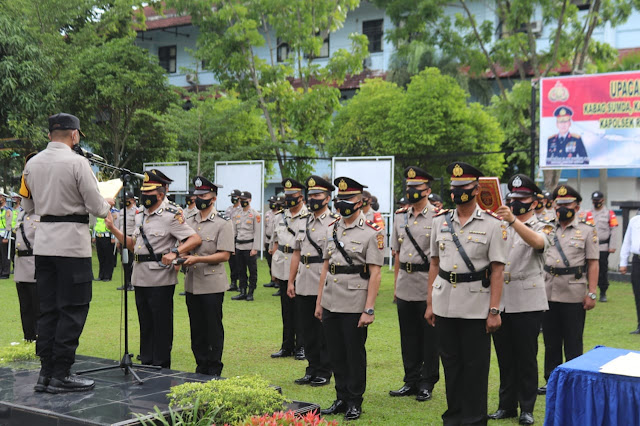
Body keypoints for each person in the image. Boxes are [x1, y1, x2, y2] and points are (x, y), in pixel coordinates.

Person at [20, 113, 114, 393]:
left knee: (48, 309)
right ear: (75, 135)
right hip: (72, 245)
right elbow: (97, 207)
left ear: (50, 134)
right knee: (72, 308)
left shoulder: (31, 164)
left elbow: (26, 207)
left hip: (44, 244)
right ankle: (61, 373)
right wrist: (106, 202)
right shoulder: (78, 162)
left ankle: (45, 373)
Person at [425, 161, 508, 426]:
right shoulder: (440, 221)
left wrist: (494, 311)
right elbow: (435, 264)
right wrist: (430, 303)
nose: (458, 192)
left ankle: (474, 419)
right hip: (445, 303)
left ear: (476, 190)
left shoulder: (493, 224)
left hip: (476, 305)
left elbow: (497, 270)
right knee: (451, 365)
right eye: (454, 188)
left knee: (475, 367)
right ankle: (454, 417)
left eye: (464, 187)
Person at [106, 169, 201, 369]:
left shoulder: (171, 215)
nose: (144, 196)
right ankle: (147, 361)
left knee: (161, 324)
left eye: (149, 193)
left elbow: (194, 238)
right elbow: (132, 245)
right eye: (143, 192)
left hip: (160, 278)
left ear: (160, 194)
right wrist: (114, 229)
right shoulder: (141, 215)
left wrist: (175, 252)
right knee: (145, 322)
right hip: (139, 276)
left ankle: (161, 364)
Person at [317, 176, 385, 421]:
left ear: (360, 202)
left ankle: (355, 400)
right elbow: (326, 267)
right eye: (341, 199)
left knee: (353, 353)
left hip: (355, 302)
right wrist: (319, 302)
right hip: (331, 300)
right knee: (335, 353)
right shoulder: (332, 228)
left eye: (349, 199)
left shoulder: (372, 233)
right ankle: (341, 397)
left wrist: (369, 308)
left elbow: (375, 273)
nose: (343, 203)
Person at [489, 174, 553, 426]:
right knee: (505, 356)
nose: (516, 202)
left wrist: (514, 221)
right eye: (512, 198)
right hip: (502, 299)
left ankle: (527, 407)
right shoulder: (501, 225)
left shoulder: (543, 224)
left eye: (522, 199)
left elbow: (538, 243)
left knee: (526, 356)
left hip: (527, 300)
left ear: (534, 202)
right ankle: (506, 405)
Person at [538, 184, 598, 395]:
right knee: (551, 341)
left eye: (567, 204)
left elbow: (593, 263)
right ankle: (551, 380)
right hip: (548, 291)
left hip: (574, 293)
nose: (562, 208)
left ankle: (573, 382)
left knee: (573, 341)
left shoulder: (587, 230)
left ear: (577, 206)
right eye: (559, 204)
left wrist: (591, 292)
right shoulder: (546, 228)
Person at [389, 166, 440, 403]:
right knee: (408, 336)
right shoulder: (400, 216)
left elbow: (438, 259)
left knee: (428, 338)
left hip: (428, 283)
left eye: (416, 189)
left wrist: (432, 294)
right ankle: (410, 380)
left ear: (428, 190)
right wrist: (396, 286)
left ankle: (426, 382)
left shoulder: (439, 218)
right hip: (406, 283)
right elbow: (397, 254)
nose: (411, 192)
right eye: (409, 188)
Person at [287, 175, 336, 387]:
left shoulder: (334, 221)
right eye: (311, 195)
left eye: (317, 195)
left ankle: (324, 370)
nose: (313, 198)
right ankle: (311, 367)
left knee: (323, 330)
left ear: (327, 198)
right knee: (306, 329)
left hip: (323, 280)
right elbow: (296, 253)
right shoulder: (303, 221)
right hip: (304, 280)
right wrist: (290, 281)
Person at [182, 176, 234, 376]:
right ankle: (200, 364)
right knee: (196, 328)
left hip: (212, 284)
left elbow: (225, 255)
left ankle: (214, 367)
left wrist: (197, 259)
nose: (198, 199)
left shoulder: (223, 223)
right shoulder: (189, 221)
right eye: (197, 195)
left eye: (203, 195)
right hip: (192, 283)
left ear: (213, 198)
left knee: (212, 327)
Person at [270, 179, 307, 359]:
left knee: (300, 308)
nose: (289, 199)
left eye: (292, 196)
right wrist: (273, 269)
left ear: (300, 197)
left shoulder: (308, 217)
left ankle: (301, 346)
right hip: (282, 264)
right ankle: (287, 345)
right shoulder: (279, 216)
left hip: (300, 266)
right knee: (286, 308)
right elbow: (275, 243)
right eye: (287, 195)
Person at [14, 155, 40, 342]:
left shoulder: (41, 212)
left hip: (35, 265)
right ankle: (28, 337)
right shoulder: (21, 214)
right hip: (20, 266)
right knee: (24, 306)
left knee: (37, 304)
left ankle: (39, 337)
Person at [584, 191, 619, 302]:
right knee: (587, 269)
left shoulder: (609, 213)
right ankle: (587, 291)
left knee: (602, 270)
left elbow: (614, 230)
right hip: (589, 246)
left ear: (603, 200)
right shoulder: (588, 213)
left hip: (603, 246)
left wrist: (612, 246)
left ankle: (603, 292)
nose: (596, 203)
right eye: (594, 201)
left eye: (598, 201)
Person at [231, 191, 261, 301]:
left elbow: (257, 233)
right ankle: (242, 291)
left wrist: (255, 248)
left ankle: (250, 292)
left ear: (250, 200)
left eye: (245, 200)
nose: (243, 202)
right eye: (241, 200)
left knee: (252, 271)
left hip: (249, 247)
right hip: (239, 246)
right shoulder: (236, 214)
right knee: (240, 270)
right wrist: (232, 247)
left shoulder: (255, 214)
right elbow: (234, 231)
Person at [620, 212, 640, 334]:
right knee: (638, 293)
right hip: (637, 259)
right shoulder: (635, 221)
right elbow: (627, 241)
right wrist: (623, 262)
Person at [117, 191, 139, 291]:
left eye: (128, 200)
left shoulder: (136, 211)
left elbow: (137, 226)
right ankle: (126, 283)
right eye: (124, 199)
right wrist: (118, 240)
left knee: (132, 261)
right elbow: (120, 226)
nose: (125, 201)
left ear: (132, 200)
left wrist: (135, 240)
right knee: (124, 261)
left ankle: (132, 282)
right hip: (122, 239)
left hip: (131, 239)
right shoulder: (121, 212)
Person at [92, 212, 117, 282]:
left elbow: (114, 225)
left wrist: (113, 237)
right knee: (101, 257)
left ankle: (107, 276)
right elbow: (95, 225)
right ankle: (101, 275)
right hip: (99, 236)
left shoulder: (111, 214)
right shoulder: (98, 214)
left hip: (107, 237)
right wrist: (94, 236)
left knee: (108, 257)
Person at [226, 189, 242, 292]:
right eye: (232, 197)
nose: (233, 199)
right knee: (231, 262)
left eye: (235, 197)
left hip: (239, 237)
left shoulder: (242, 210)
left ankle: (242, 284)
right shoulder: (229, 209)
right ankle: (233, 283)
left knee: (239, 262)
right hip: (229, 237)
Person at [263, 195, 279, 288]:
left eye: (273, 202)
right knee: (269, 261)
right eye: (270, 202)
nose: (271, 204)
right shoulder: (267, 213)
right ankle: (272, 280)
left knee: (276, 261)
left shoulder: (279, 214)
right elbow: (265, 227)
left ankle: (278, 281)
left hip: (275, 241)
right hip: (268, 240)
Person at [0, 192, 12, 279]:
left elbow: (9, 224)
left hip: (4, 234)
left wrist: (6, 237)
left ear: (3, 198)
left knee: (5, 254)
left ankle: (5, 272)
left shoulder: (7, 210)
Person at [10, 193, 23, 271]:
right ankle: (14, 265)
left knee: (17, 249)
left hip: (18, 231)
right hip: (11, 231)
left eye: (15, 198)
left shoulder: (21, 209)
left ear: (19, 199)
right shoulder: (11, 209)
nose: (14, 200)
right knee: (11, 250)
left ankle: (17, 267)